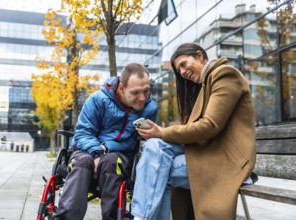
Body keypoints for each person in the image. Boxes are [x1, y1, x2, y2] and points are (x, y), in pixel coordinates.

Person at [131, 43, 256, 220]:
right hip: (207, 150)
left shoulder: (225, 75)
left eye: (183, 64)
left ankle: (140, 218)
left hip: (227, 159)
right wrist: (160, 135)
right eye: (178, 70)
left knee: (158, 167)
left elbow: (210, 125)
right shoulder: (202, 86)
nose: (182, 72)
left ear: (199, 56)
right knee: (154, 146)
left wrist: (163, 132)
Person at [53, 63, 158, 220]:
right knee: (82, 162)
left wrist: (105, 149)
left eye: (146, 91)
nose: (142, 98)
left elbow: (138, 141)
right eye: (136, 92)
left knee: (111, 161)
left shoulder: (150, 109)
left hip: (119, 157)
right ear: (121, 88)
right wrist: (96, 153)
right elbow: (83, 133)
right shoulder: (97, 100)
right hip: (85, 150)